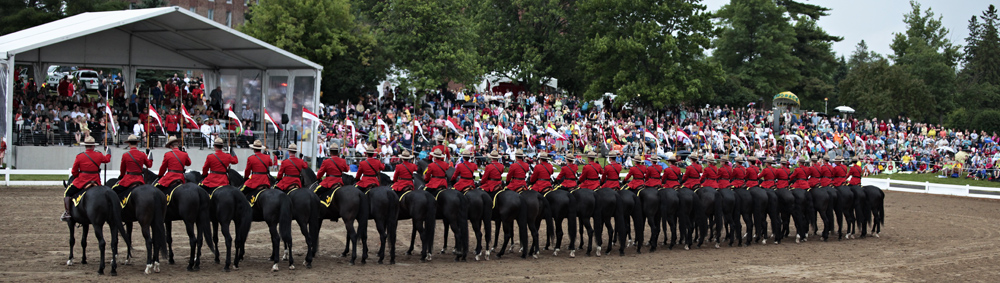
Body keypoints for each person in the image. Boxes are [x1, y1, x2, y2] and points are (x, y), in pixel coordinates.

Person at [61, 136, 111, 221]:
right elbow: (107, 160)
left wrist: (77, 176)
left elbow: (74, 171)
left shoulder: (80, 156)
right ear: (93, 146)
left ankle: (67, 213)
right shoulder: (98, 155)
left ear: (85, 146)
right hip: (95, 181)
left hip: (82, 181)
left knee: (67, 193)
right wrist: (108, 152)